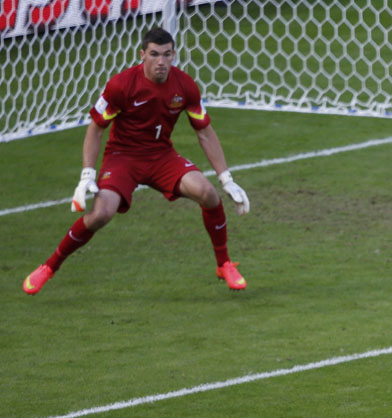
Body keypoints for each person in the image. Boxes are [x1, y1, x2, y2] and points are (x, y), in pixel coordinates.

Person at [23, 27, 250, 295]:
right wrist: (87, 174)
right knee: (100, 215)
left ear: (174, 55)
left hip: (162, 156)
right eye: (154, 54)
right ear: (142, 54)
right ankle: (49, 267)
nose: (161, 61)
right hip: (123, 158)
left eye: (167, 55)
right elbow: (95, 129)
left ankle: (224, 264)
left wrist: (227, 178)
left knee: (208, 193)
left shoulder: (185, 86)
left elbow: (204, 131)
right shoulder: (121, 85)